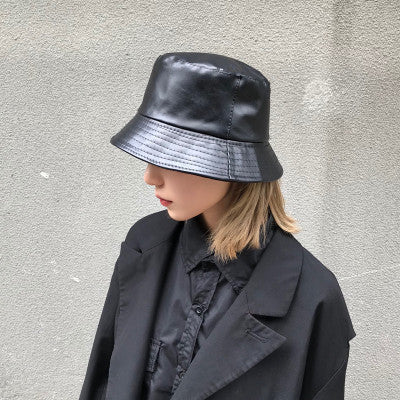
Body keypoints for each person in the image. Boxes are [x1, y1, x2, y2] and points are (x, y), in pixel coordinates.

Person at [79, 52, 356, 400]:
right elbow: (102, 380)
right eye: (151, 153)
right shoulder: (144, 246)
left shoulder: (314, 298)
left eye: (172, 156)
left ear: (231, 164)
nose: (150, 176)